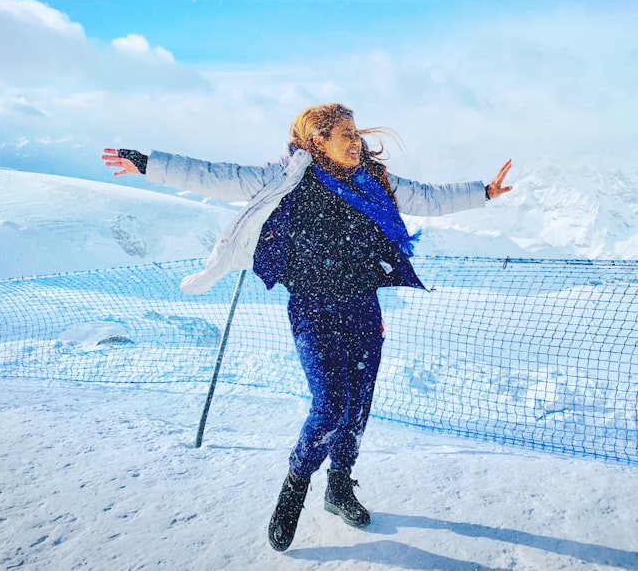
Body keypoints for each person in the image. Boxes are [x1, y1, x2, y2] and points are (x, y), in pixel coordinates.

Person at [102, 102, 512, 552]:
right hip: (313, 308)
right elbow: (214, 174)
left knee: (357, 406)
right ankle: (295, 488)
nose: (356, 142)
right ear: (317, 141)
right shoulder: (287, 176)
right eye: (345, 135)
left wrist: (484, 192)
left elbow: (430, 198)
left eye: (356, 133)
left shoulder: (374, 180)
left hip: (362, 306)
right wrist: (148, 163)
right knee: (330, 404)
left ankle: (339, 488)